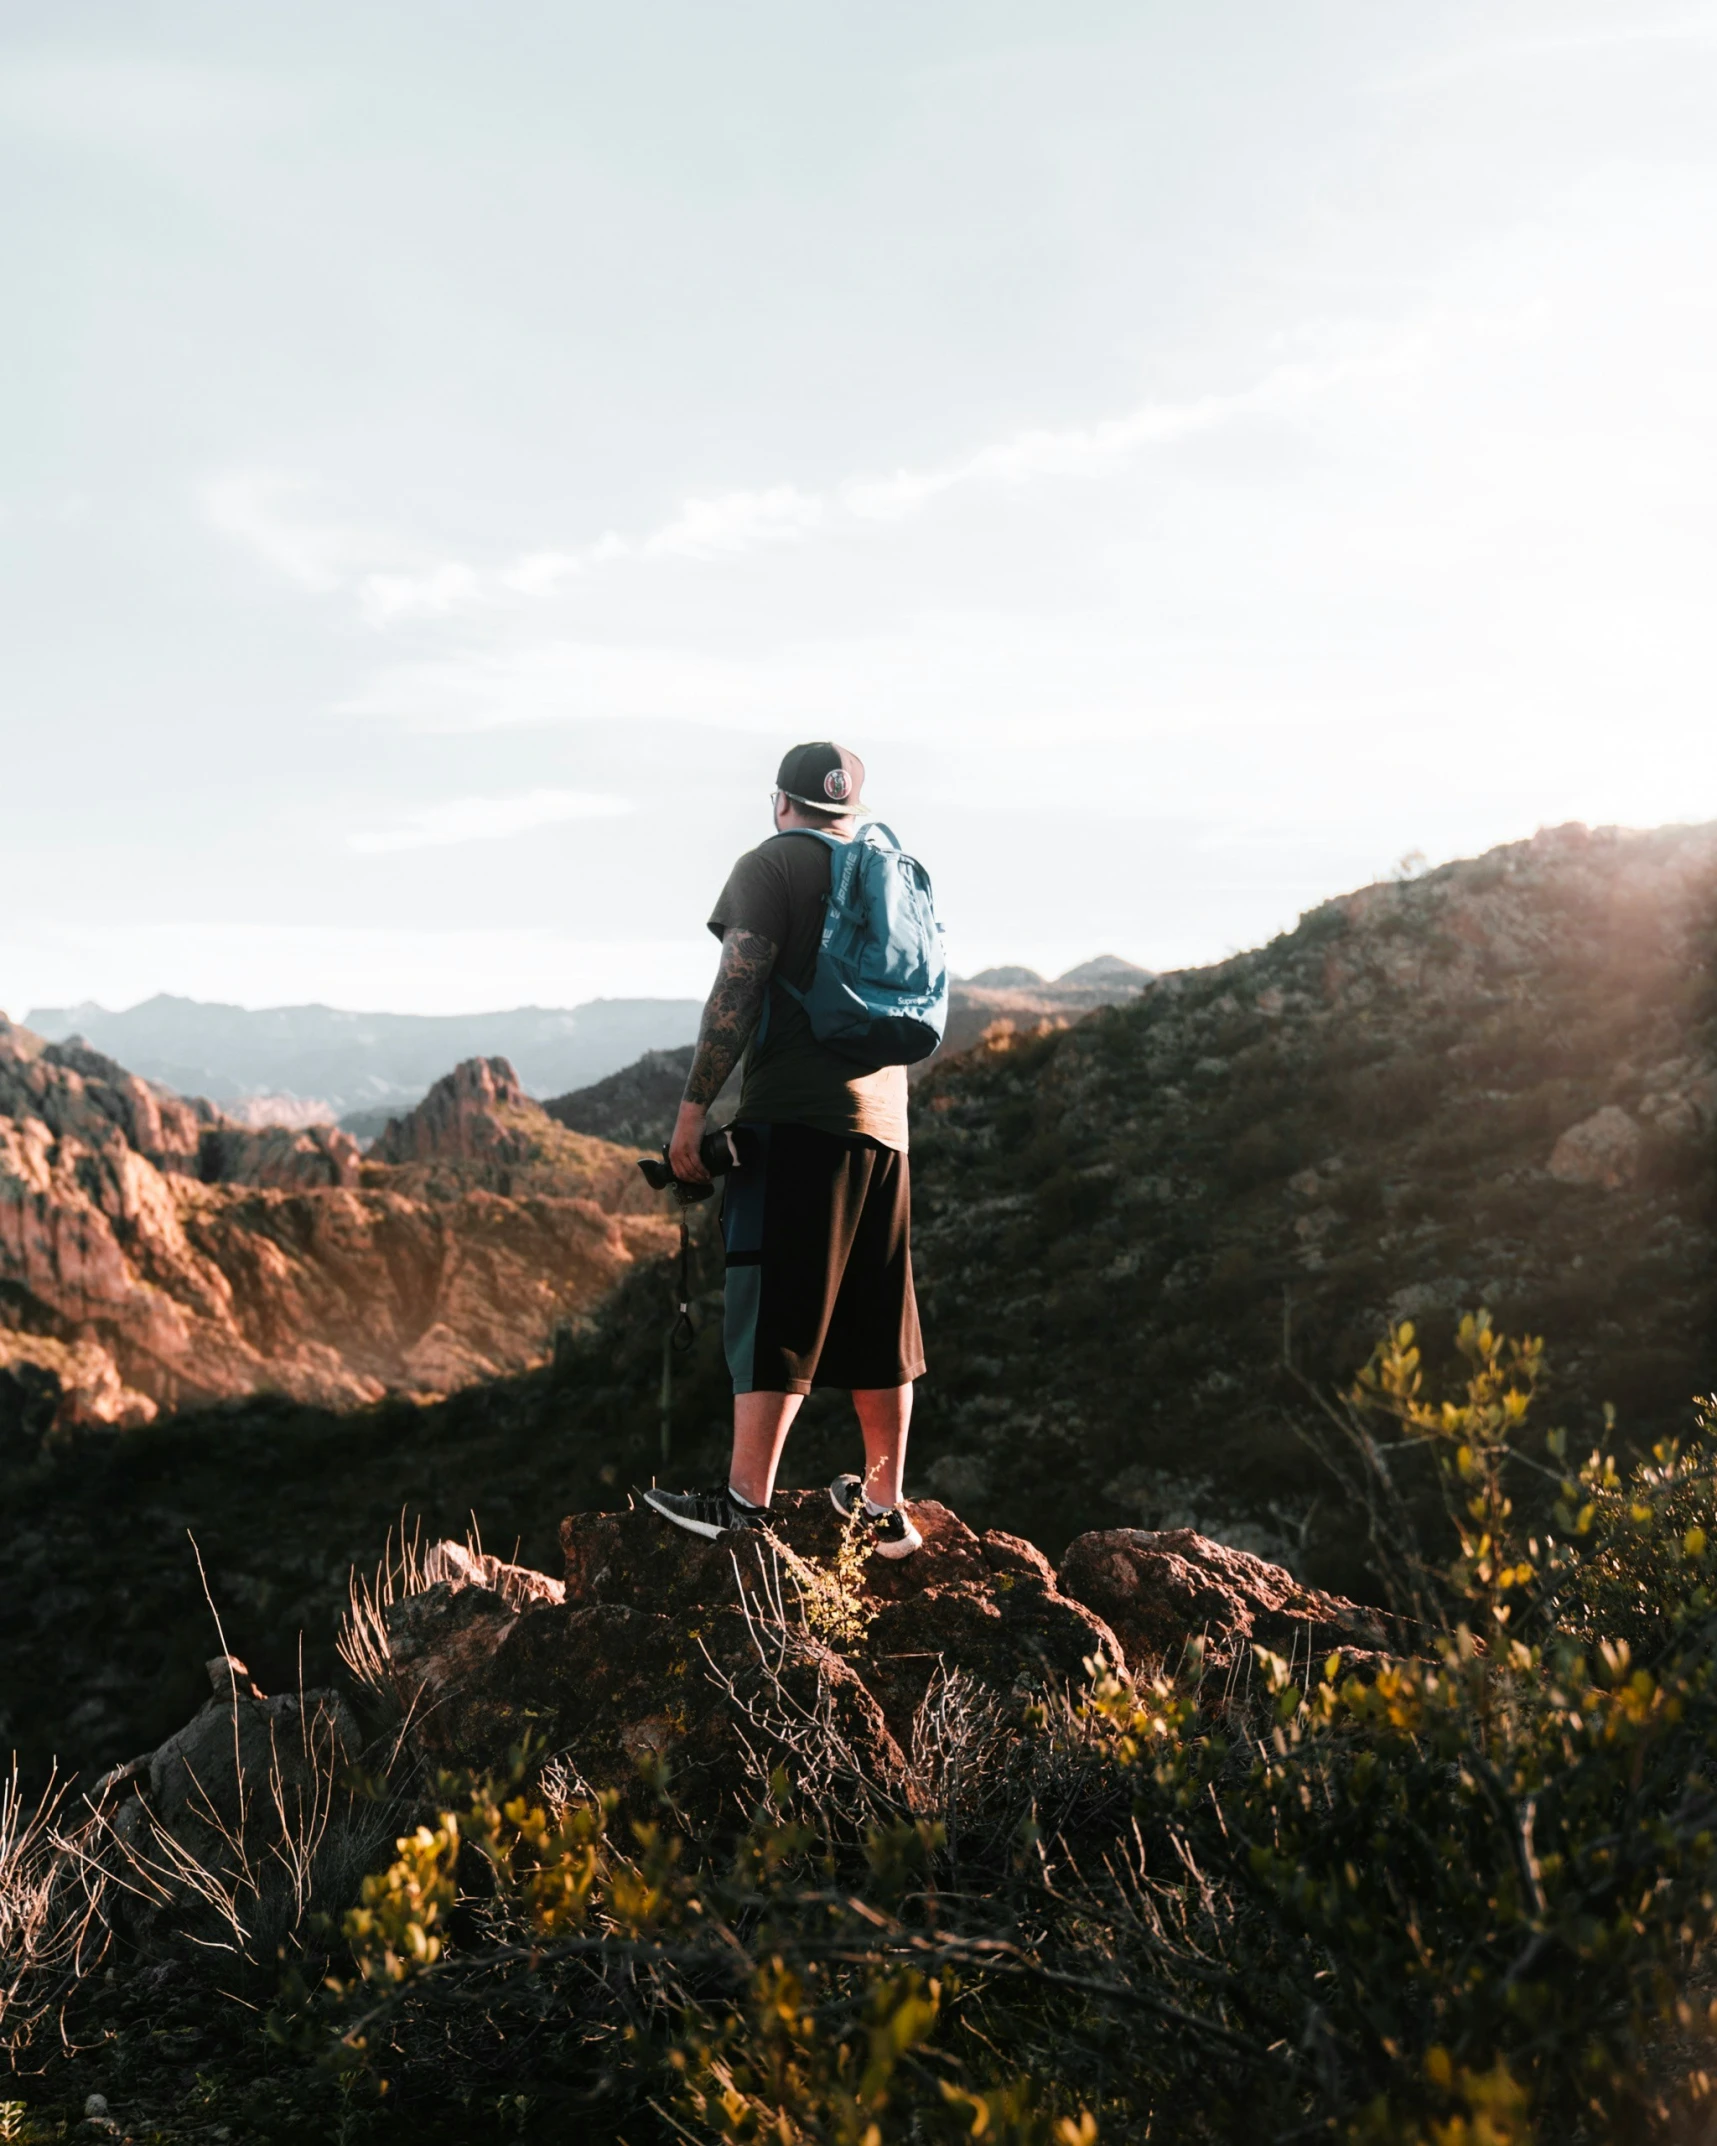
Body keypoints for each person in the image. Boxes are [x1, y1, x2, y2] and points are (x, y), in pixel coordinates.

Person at [643, 741, 927, 1558]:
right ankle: (884, 1507)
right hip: (885, 1130)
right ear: (851, 807)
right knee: (879, 1317)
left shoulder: (772, 866)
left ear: (781, 803)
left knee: (772, 1306)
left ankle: (742, 1504)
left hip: (797, 1121)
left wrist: (693, 1111)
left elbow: (736, 988)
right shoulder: (888, 869)